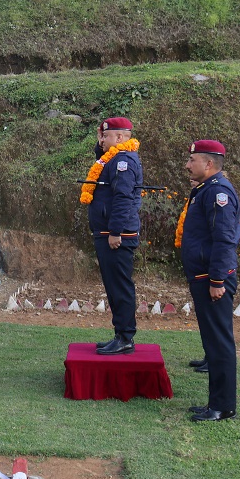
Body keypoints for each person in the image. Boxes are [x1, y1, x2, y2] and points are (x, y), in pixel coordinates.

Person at [182, 140, 240, 422]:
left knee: (219, 343)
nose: (187, 165)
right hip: (205, 276)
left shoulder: (218, 192)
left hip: (213, 278)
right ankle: (216, 402)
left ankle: (223, 406)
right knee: (213, 341)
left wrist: (217, 280)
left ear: (208, 164)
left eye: (192, 159)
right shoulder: (205, 189)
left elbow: (224, 239)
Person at [81, 117, 143, 355]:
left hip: (116, 235)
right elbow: (100, 159)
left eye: (106, 136)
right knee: (113, 285)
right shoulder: (112, 159)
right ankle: (120, 334)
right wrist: (100, 144)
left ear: (119, 138)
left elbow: (123, 198)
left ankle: (125, 337)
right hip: (108, 232)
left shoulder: (123, 161)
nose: (102, 139)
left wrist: (115, 231)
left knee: (120, 286)